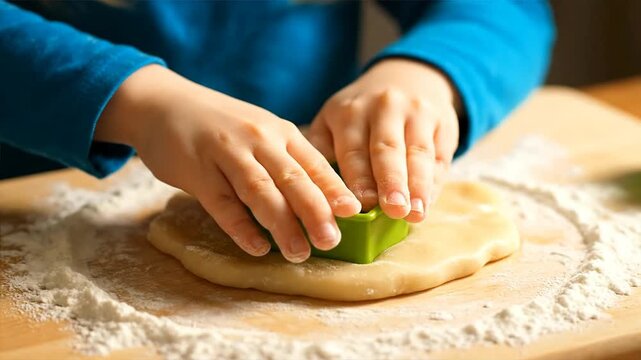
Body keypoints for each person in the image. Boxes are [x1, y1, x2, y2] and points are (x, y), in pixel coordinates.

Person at [0, 0, 554, 263]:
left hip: (315, 166)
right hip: (26, 199)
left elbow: (507, 10)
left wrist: (429, 71)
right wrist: (136, 101)